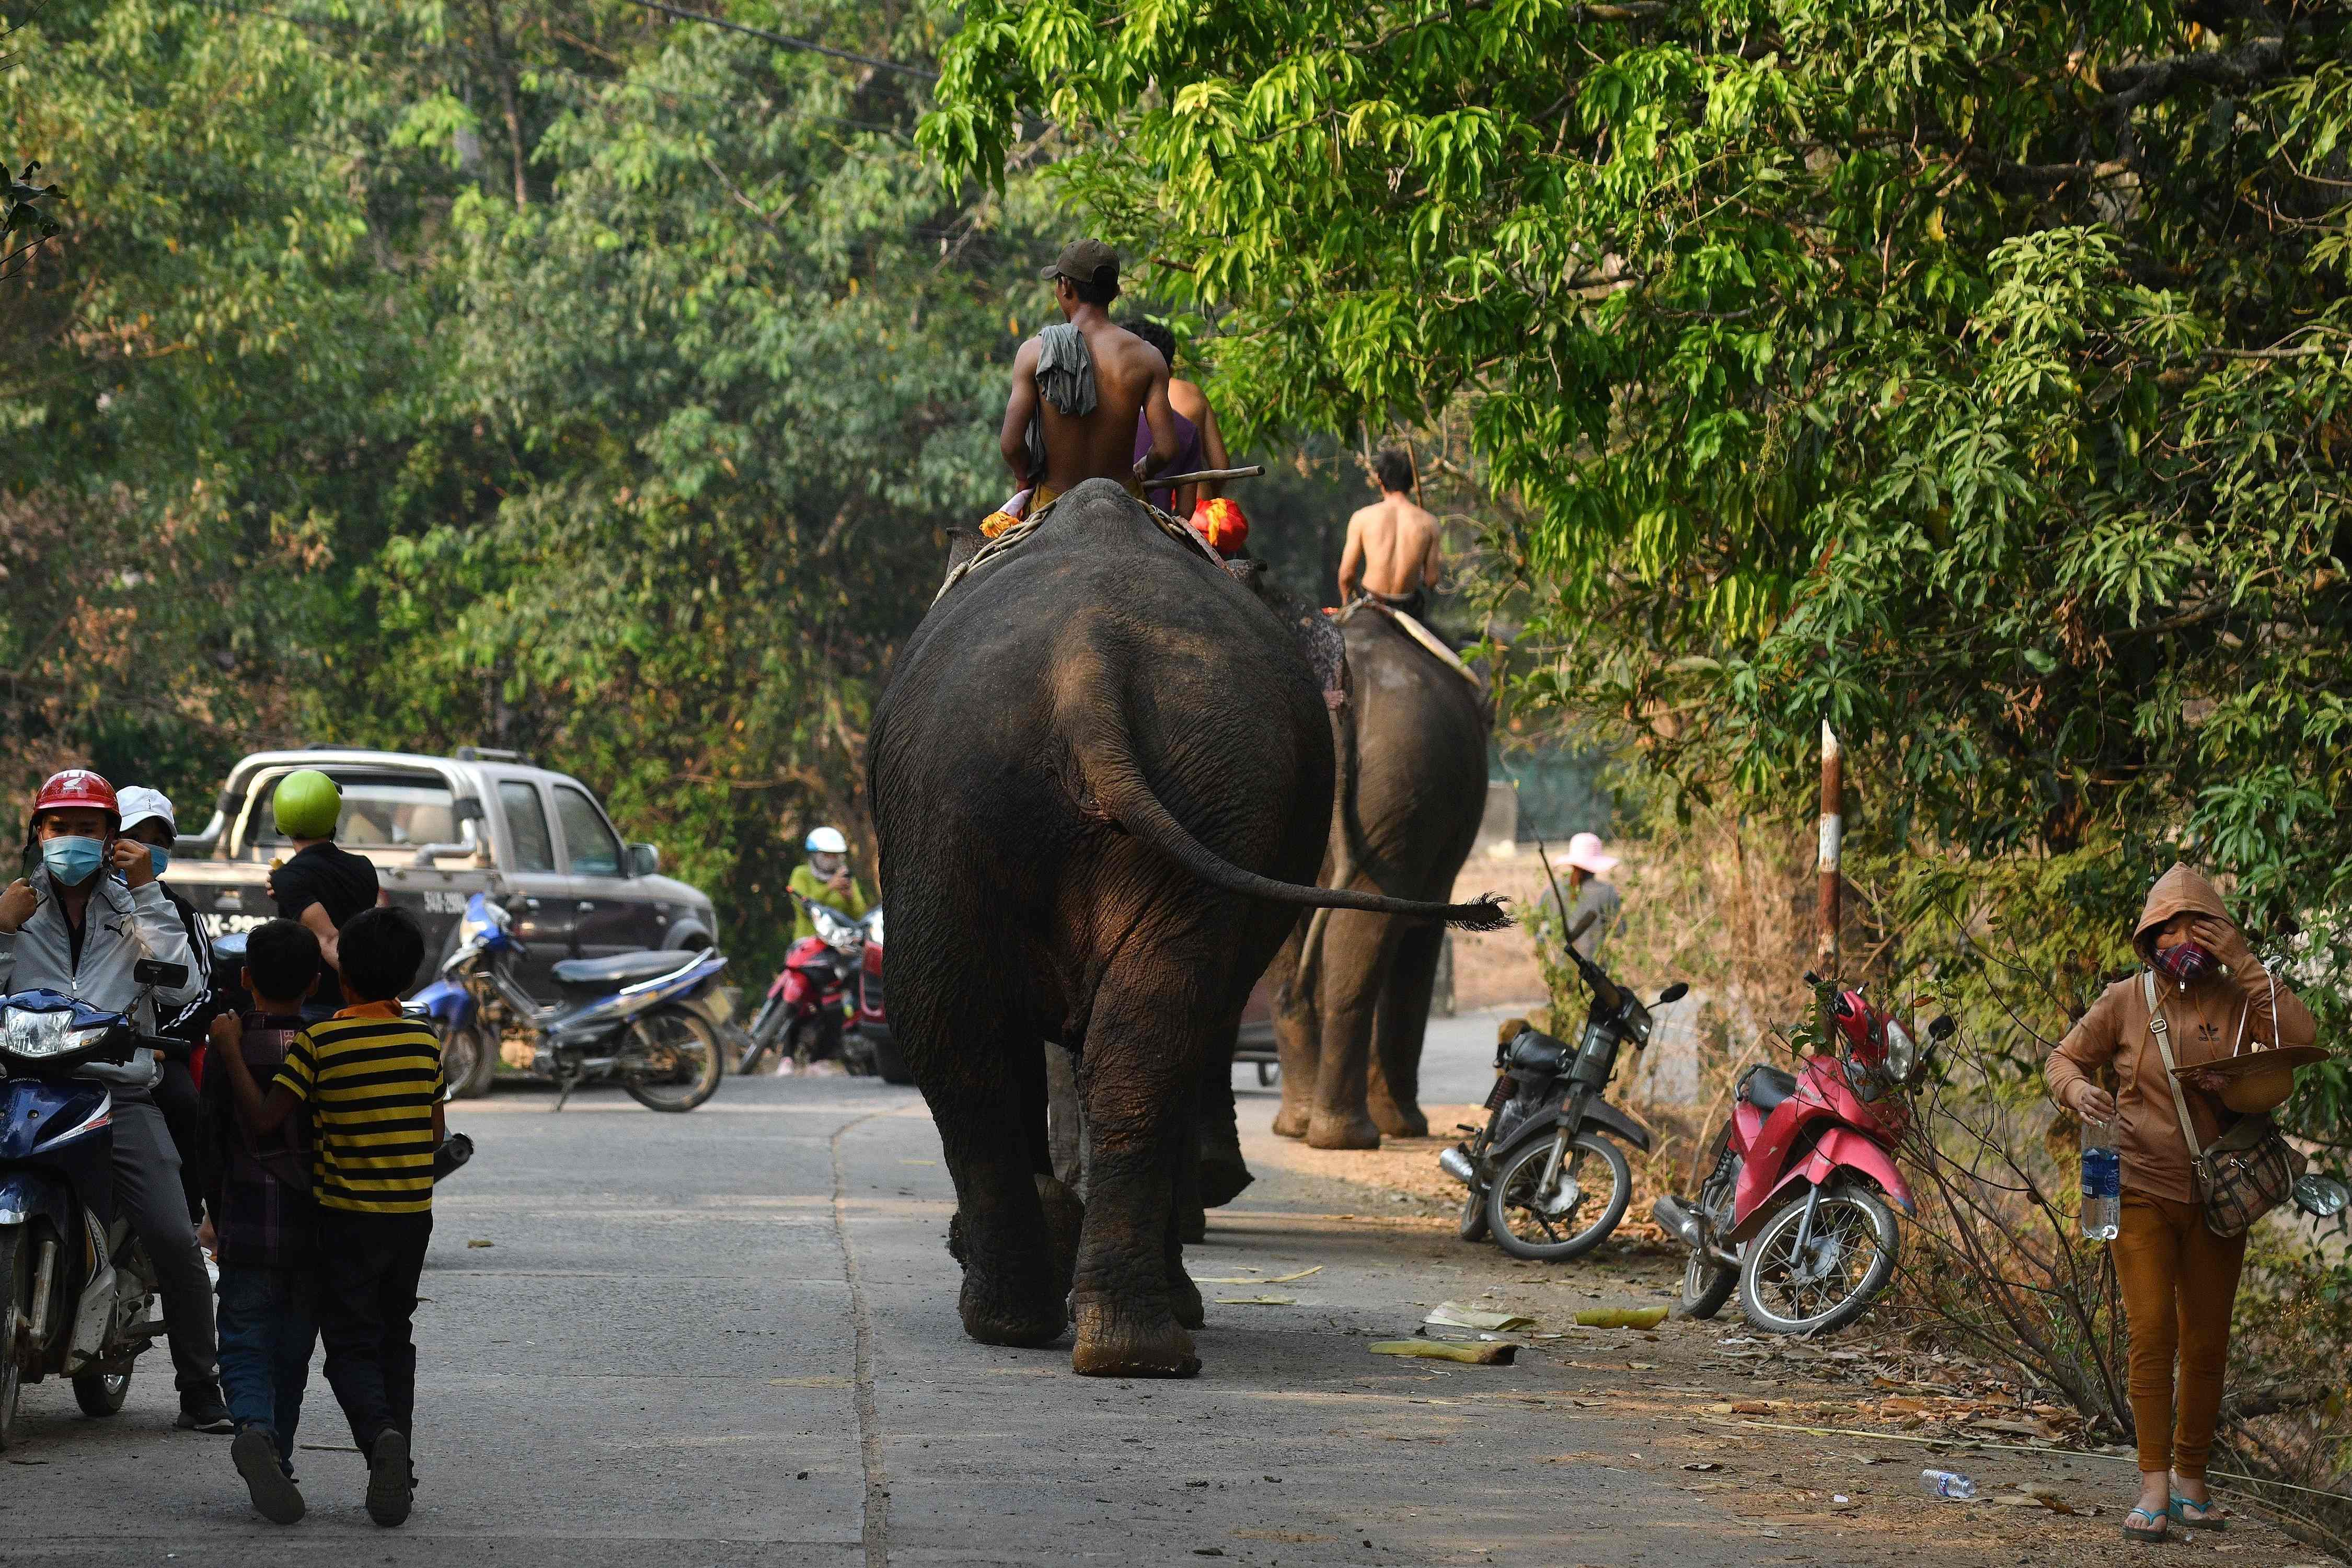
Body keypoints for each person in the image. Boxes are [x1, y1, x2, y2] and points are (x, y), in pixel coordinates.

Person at [2044, 865, 2320, 1543]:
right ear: (2147, 937)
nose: (2182, 939)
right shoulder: (2124, 999)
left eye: (2199, 925)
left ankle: (2192, 1479)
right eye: (2168, 928)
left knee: (2205, 1343)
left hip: (2219, 1196)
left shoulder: (2237, 996)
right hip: (2133, 1185)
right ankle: (2153, 1485)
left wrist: (2244, 962)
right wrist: (2079, 1094)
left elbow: (2300, 1035)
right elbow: (2063, 1061)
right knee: (2150, 1336)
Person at [0, 769, 230, 1431]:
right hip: (20, 1088)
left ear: (110, 838)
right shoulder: (17, 904)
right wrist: (1, 934)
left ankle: (199, 1385)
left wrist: (147, 894)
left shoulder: (135, 903)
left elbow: (184, 986)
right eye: (58, 827)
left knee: (171, 1235)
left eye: (88, 829)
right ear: (37, 834)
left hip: (115, 1091)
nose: (71, 840)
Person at [214, 905, 441, 1529]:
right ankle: (393, 1455)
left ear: (342, 980)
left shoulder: (322, 1043)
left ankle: (354, 1434)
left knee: (339, 1346)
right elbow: (434, 1135)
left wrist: (230, 1050)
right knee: (389, 1337)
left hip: (338, 1219)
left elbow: (262, 1121)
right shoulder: (425, 1039)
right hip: (409, 1220)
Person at [202, 918, 322, 1525]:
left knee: (245, 1339)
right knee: (293, 1351)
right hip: (311, 1232)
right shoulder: (322, 1046)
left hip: (246, 1223)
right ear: (316, 980)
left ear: (246, 979)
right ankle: (280, 1450)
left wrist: (211, 1211)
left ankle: (253, 1426)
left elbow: (213, 1136)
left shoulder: (230, 1044)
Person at [993, 239, 1182, 527]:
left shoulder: (1034, 353)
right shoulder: (1149, 357)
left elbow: (1011, 445)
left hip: (1051, 505)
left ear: (1065, 286)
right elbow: (1167, 449)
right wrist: (1145, 467)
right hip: (1125, 503)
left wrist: (1023, 476)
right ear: (1115, 292)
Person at [119, 785, 221, 1230]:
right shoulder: (70, 904)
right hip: (76, 1047)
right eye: (136, 837)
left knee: (185, 1104)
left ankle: (186, 1214)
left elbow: (199, 994)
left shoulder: (181, 913)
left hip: (154, 1051)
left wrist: (163, 1045)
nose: (148, 850)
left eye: (159, 842)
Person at [264, 768, 379, 1014]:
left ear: (281, 819)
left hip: (317, 1007)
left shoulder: (289, 877)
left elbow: (328, 938)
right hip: (359, 1003)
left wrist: (372, 992)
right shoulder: (364, 866)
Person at [1338, 448, 1443, 617]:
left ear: (1380, 479)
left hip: (1370, 604)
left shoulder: (1362, 518)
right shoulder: (1430, 524)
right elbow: (1431, 580)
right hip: (1408, 609)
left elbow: (1347, 575)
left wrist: (1345, 603)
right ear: (1412, 481)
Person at [1537, 832, 1623, 963]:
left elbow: (1539, 928)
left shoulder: (1554, 890)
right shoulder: (1607, 892)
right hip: (1594, 971)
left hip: (1559, 968)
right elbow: (1619, 931)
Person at [789, 826, 869, 943]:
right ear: (814, 855)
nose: (832, 859)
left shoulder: (845, 877)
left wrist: (850, 898)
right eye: (826, 855)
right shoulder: (801, 874)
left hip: (842, 945)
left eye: (835, 855)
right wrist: (829, 887)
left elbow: (860, 916)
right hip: (809, 944)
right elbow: (802, 907)